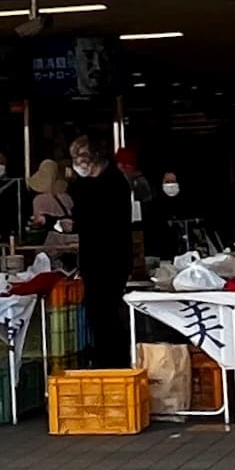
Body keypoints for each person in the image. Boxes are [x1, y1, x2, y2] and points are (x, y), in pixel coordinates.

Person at [63, 135, 135, 368]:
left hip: (111, 260)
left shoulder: (113, 183)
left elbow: (95, 220)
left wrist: (72, 222)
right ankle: (107, 363)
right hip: (94, 260)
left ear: (92, 158)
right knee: (98, 315)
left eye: (79, 157)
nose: (76, 163)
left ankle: (115, 365)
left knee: (106, 316)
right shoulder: (88, 184)